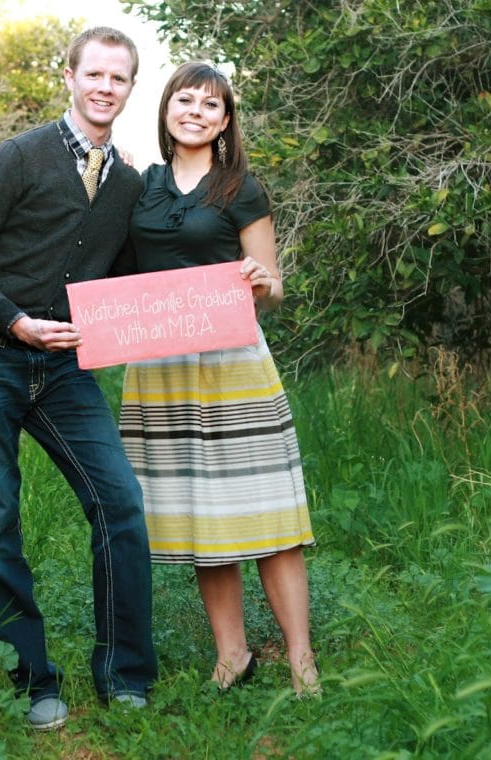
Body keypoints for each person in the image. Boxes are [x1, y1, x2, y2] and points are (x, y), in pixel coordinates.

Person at [0, 27, 157, 731]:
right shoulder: (19, 156)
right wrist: (17, 323)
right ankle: (33, 682)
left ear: (129, 89)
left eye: (118, 79)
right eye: (93, 74)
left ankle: (124, 675)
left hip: (60, 368)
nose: (104, 87)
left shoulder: (126, 183)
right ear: (68, 77)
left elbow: (124, 280)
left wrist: (228, 278)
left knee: (119, 502)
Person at [117, 61, 320, 696]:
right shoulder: (137, 187)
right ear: (167, 110)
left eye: (211, 105)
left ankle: (301, 661)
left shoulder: (242, 188)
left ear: (225, 120)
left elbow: (275, 285)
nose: (196, 112)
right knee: (204, 517)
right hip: (160, 369)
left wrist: (265, 282)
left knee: (269, 513)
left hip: (233, 363)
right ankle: (232, 655)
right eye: (185, 100)